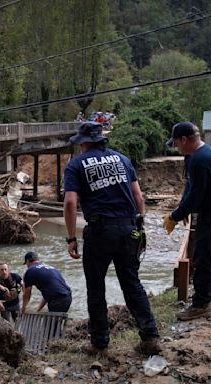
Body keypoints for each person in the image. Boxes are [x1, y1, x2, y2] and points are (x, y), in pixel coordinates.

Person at [63, 121, 161, 356]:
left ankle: (100, 343)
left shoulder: (75, 165)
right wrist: (140, 225)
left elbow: (69, 203)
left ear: (83, 143)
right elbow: (139, 197)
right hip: (129, 229)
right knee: (132, 283)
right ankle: (150, 337)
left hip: (100, 231)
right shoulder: (123, 160)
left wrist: (71, 238)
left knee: (96, 287)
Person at [163, 121, 211, 321]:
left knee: (203, 256)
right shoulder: (197, 154)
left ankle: (202, 303)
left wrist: (175, 216)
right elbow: (191, 187)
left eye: (177, 143)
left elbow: (196, 195)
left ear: (185, 139)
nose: (176, 147)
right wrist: (182, 208)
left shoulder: (199, 160)